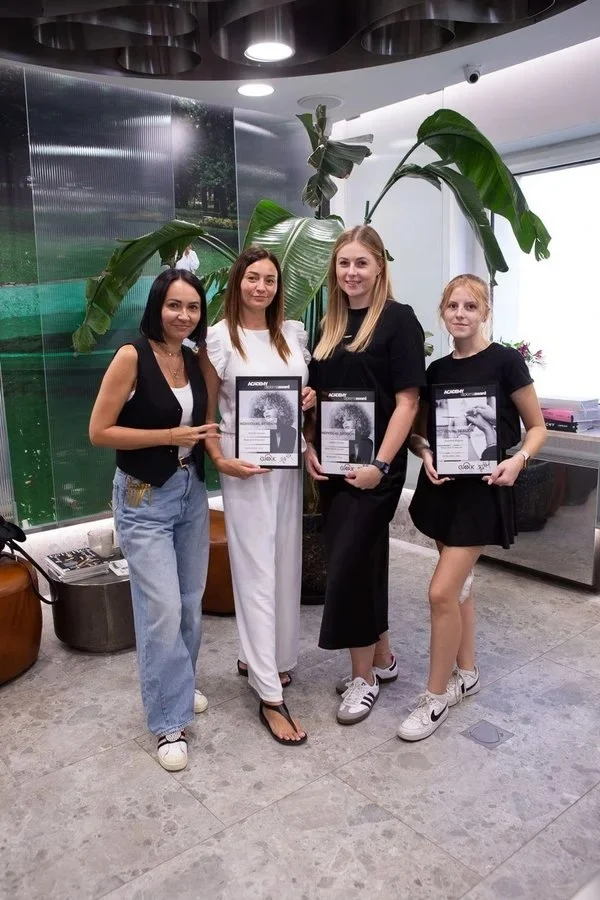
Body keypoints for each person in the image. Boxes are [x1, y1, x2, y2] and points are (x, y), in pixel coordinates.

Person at [398, 273, 547, 742]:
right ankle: (467, 672)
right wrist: (424, 453)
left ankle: (435, 696)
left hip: (482, 493)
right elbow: (418, 433)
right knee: (460, 588)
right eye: (453, 306)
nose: (460, 314)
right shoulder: (437, 370)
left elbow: (537, 427)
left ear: (484, 312)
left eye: (470, 306)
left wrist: (518, 460)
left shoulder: (506, 362)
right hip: (443, 492)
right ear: (443, 312)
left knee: (441, 593)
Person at [89, 269, 218, 772]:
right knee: (160, 607)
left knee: (188, 601)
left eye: (193, 307)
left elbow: (212, 415)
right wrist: (168, 436)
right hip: (142, 495)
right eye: (174, 305)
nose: (184, 315)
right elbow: (100, 431)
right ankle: (168, 721)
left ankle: (178, 685)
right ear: (157, 307)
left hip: (189, 491)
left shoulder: (191, 357)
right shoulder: (132, 356)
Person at [305, 225, 426, 725]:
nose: (351, 272)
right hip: (335, 468)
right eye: (343, 263)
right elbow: (318, 397)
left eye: (361, 263)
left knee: (349, 566)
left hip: (377, 470)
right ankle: (383, 658)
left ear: (379, 267)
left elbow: (407, 401)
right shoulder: (330, 326)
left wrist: (381, 465)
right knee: (365, 560)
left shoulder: (399, 320)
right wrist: (309, 441)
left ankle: (364, 679)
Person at [202, 246, 315, 746]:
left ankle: (270, 658)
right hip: (244, 467)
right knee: (255, 569)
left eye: (269, 279)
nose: (261, 287)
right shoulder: (219, 338)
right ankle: (269, 695)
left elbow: (300, 400)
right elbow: (206, 411)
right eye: (253, 278)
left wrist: (308, 400)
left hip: (288, 464)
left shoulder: (292, 334)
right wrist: (219, 459)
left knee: (286, 562)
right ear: (238, 282)